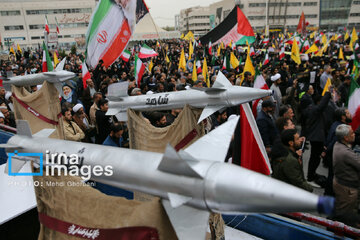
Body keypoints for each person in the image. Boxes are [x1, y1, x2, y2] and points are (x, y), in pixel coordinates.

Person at [332, 124, 360, 227]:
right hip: (348, 189)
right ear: (345, 138)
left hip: (341, 183)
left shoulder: (338, 144)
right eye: (352, 133)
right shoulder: (345, 153)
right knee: (345, 215)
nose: (354, 135)